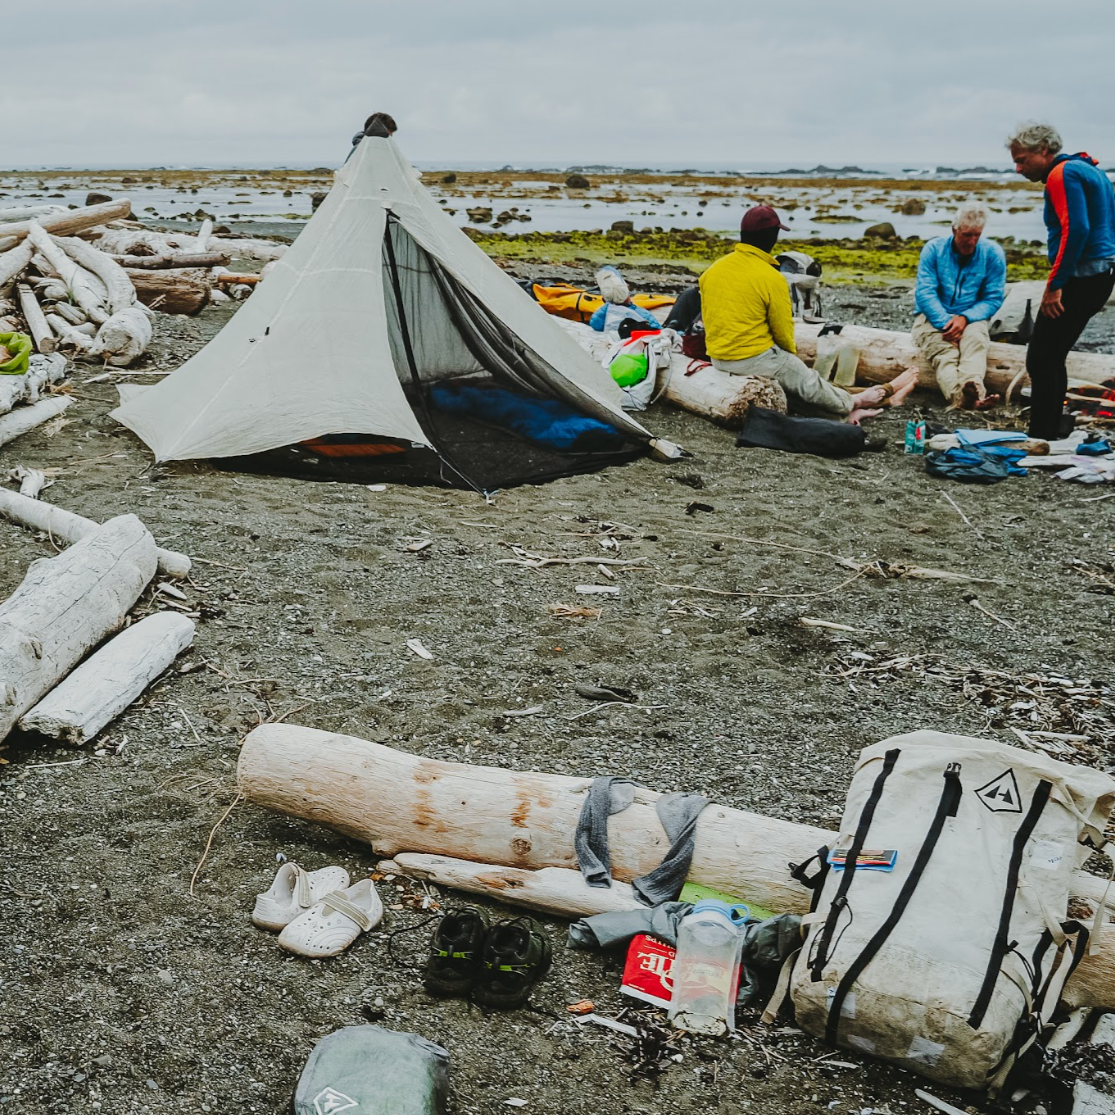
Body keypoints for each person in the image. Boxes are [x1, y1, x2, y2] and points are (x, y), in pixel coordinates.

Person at [699, 205, 918, 423]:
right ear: (773, 237)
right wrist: (789, 358)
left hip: (718, 357)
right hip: (750, 357)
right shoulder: (771, 277)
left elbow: (709, 317)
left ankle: (847, 414)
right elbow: (782, 329)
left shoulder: (713, 270)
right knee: (807, 380)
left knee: (792, 390)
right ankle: (857, 402)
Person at [1008, 121, 1115, 438]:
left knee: (1040, 357)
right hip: (1101, 275)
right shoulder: (1089, 168)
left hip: (1082, 278)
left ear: (1043, 150)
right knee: (1053, 355)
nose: (1017, 168)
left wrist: (1054, 285)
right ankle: (1051, 428)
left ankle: (1042, 433)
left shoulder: (1061, 173)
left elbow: (1076, 230)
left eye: (1022, 159)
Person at [911, 202, 1006, 410]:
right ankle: (959, 398)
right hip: (932, 315)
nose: (971, 242)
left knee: (975, 344)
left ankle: (975, 394)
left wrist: (965, 318)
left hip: (971, 315)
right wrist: (947, 323)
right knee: (946, 352)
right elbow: (925, 292)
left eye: (976, 235)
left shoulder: (993, 254)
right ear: (955, 230)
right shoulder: (934, 250)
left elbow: (993, 298)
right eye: (966, 235)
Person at [588, 267, 662, 332]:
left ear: (604, 297)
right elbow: (658, 331)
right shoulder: (643, 315)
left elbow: (595, 325)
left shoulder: (599, 316)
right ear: (627, 291)